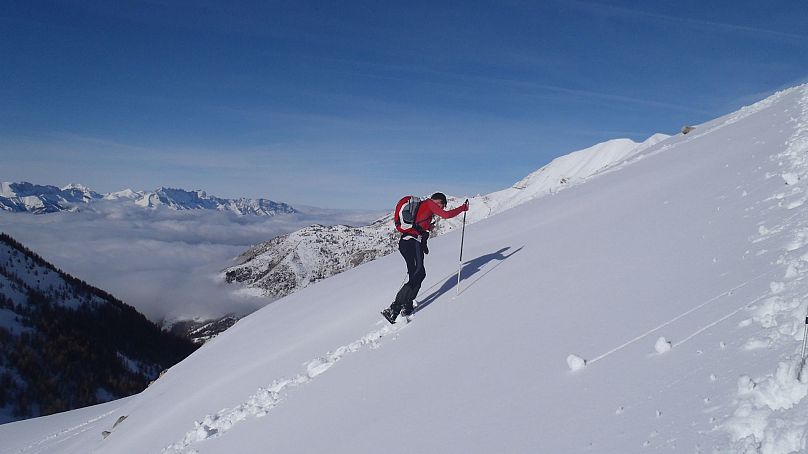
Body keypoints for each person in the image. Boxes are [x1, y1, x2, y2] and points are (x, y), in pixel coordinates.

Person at [382, 192, 469, 323]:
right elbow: (447, 215)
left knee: (417, 274)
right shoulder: (429, 203)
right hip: (411, 242)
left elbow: (419, 225)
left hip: (407, 243)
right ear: (438, 201)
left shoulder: (424, 207)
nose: (442, 208)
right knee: (419, 273)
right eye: (443, 205)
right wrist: (463, 208)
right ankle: (394, 308)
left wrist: (427, 229)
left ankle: (407, 305)